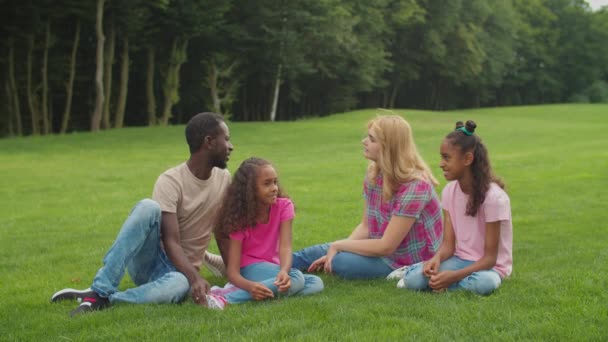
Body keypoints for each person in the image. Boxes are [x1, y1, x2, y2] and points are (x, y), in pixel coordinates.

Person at [50, 112, 234, 316]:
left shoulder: (224, 179)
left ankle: (105, 299)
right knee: (148, 206)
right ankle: (100, 288)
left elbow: (222, 232)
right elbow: (171, 242)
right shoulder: (171, 181)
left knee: (179, 286)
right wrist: (196, 278)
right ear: (209, 142)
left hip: (179, 276)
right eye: (226, 139)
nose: (231, 146)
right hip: (151, 263)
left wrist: (234, 275)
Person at [291, 115, 443, 279]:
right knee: (313, 253)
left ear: (388, 147)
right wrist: (340, 247)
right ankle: (270, 267)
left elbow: (387, 247)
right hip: (378, 245)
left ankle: (405, 272)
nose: (364, 141)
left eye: (371, 139)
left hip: (403, 259)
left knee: (340, 262)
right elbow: (366, 227)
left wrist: (338, 247)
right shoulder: (374, 173)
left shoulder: (416, 186)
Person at [402, 120, 512, 295]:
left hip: (489, 268)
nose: (440, 164)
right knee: (413, 280)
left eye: (446, 158)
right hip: (460, 260)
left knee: (484, 283)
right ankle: (425, 276)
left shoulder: (494, 198)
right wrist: (436, 259)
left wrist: (453, 276)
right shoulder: (449, 192)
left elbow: (490, 259)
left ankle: (441, 284)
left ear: (468, 159)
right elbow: (448, 245)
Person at [204, 158, 324, 310]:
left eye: (275, 182)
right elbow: (233, 272)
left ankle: (236, 292)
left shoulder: (284, 206)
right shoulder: (240, 219)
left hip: (273, 267)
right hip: (248, 268)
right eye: (267, 184)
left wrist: (284, 270)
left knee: (315, 283)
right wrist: (249, 286)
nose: (274, 188)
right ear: (250, 190)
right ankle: (224, 298)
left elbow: (285, 247)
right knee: (297, 278)